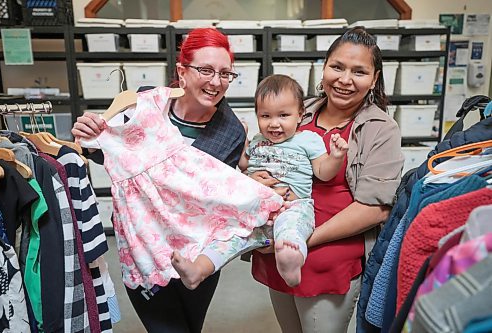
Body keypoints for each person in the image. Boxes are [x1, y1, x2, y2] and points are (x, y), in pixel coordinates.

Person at [71, 28, 250, 333]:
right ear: (182, 71)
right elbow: (114, 156)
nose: (216, 82)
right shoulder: (145, 105)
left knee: (191, 326)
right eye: (206, 70)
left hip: (195, 252)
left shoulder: (231, 131)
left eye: (225, 73)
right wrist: (91, 138)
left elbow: (214, 201)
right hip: (142, 244)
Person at [250, 27, 405, 333]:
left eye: (358, 71)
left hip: (326, 260)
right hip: (279, 250)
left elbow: (375, 208)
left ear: (374, 79)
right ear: (324, 68)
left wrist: (303, 240)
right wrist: (255, 180)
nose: (345, 79)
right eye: (337, 67)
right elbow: (261, 156)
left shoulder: (380, 129)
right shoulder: (296, 112)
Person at [171, 74, 349, 289]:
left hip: (292, 207)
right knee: (229, 237)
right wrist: (244, 139)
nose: (274, 124)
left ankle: (292, 265)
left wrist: (336, 157)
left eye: (283, 115)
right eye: (265, 116)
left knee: (291, 232)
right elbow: (245, 164)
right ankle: (197, 270)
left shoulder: (308, 140)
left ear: (300, 114)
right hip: (256, 212)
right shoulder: (258, 141)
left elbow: (323, 172)